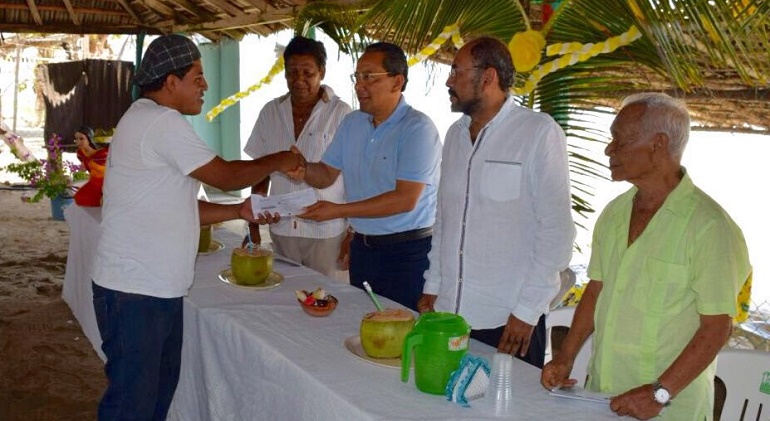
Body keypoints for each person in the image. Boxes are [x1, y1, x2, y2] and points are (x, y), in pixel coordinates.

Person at [91, 34, 300, 421]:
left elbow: (182, 208)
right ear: (171, 82)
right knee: (132, 405)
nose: (205, 85)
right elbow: (225, 175)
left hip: (152, 289)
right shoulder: (160, 121)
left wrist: (240, 211)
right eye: (197, 76)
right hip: (136, 293)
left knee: (152, 400)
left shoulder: (147, 118)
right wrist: (280, 159)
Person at [541, 93, 751, 420]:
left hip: (669, 409)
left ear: (658, 143)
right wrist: (566, 356)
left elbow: (717, 328)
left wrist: (660, 391)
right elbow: (596, 291)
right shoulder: (614, 214)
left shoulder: (710, 227)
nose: (609, 149)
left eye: (619, 140)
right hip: (601, 398)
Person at [416, 36, 575, 368]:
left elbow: (557, 233)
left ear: (487, 77)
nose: (449, 80)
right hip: (450, 314)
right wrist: (434, 283)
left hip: (508, 320)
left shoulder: (537, 132)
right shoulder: (455, 136)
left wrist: (528, 311)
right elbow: (445, 218)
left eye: (456, 71)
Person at [286, 42, 442, 311]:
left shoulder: (418, 129)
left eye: (369, 77)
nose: (359, 85)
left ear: (397, 82)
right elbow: (325, 174)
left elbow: (404, 200)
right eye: (357, 77)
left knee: (404, 331)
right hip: (364, 251)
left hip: (408, 253)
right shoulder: (353, 123)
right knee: (365, 324)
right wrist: (303, 169)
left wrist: (339, 211)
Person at [243, 36, 352, 277]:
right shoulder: (270, 112)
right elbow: (259, 171)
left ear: (321, 72)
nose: (299, 80)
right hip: (281, 228)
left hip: (326, 233)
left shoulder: (341, 113)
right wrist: (252, 222)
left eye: (307, 73)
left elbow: (356, 176)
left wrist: (352, 233)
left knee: (326, 301)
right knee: (286, 303)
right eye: (292, 72)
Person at [73, 125, 109, 206]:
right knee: (79, 198)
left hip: (106, 183)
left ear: (89, 138)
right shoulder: (80, 153)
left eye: (81, 138)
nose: (78, 142)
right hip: (93, 182)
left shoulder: (103, 154)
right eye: (76, 139)